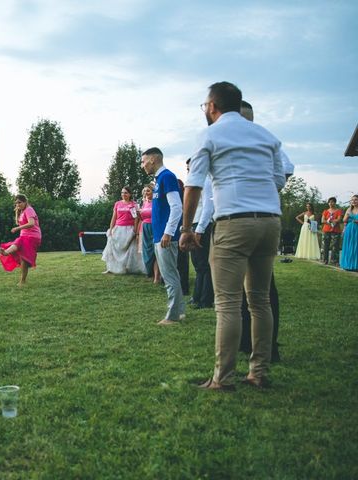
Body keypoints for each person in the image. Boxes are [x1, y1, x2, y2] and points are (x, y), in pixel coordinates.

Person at [180, 82, 285, 391]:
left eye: (205, 106)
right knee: (260, 300)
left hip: (233, 223)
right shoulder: (266, 136)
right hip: (269, 222)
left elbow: (194, 184)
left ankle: (222, 378)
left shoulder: (210, 134)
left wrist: (187, 229)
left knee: (227, 303)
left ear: (212, 106)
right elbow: (278, 178)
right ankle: (258, 372)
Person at [238, 100, 289, 363]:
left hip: (258, 218)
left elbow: (285, 171)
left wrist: (261, 190)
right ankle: (246, 341)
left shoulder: (265, 140)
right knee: (241, 289)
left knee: (263, 288)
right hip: (239, 218)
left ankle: (269, 347)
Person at [142, 148, 185, 325]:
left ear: (153, 159)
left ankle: (173, 316)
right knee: (171, 274)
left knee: (169, 276)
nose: (142, 165)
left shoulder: (167, 177)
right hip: (159, 235)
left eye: (143, 161)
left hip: (166, 236)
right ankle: (180, 311)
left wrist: (168, 232)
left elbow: (176, 207)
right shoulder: (158, 180)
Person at [185, 158, 215, 309]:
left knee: (204, 264)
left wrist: (199, 230)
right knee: (197, 264)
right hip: (194, 225)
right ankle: (196, 296)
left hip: (202, 226)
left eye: (191, 168)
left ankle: (205, 299)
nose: (189, 171)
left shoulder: (206, 182)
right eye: (188, 168)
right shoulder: (195, 184)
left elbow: (208, 208)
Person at [0, 194, 41, 286]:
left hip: (32, 237)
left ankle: (6, 252)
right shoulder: (22, 211)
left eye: (20, 202)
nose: (18, 204)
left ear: (25, 202)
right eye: (16, 203)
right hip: (25, 236)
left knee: (21, 249)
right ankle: (22, 281)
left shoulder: (29, 209)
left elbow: (31, 223)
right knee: (22, 256)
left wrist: (17, 228)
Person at [101, 186, 145, 274]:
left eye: (125, 193)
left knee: (130, 250)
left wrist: (135, 231)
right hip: (118, 228)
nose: (123, 194)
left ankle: (127, 268)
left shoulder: (134, 204)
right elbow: (114, 217)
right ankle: (111, 268)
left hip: (129, 228)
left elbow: (136, 219)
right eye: (122, 193)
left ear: (130, 194)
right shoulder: (117, 204)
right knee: (112, 248)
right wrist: (111, 228)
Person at [138, 184, 161, 283]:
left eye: (148, 191)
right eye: (145, 191)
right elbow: (141, 218)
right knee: (147, 251)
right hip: (145, 227)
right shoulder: (144, 203)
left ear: (153, 192)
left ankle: (157, 277)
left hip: (155, 227)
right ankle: (150, 272)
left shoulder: (157, 201)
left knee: (156, 252)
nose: (146, 193)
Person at [321, 197, 343, 265]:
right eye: (330, 202)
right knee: (325, 245)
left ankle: (334, 261)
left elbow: (339, 219)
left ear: (335, 203)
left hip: (335, 230)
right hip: (326, 230)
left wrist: (332, 221)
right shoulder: (325, 211)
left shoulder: (338, 211)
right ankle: (324, 260)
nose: (331, 203)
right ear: (328, 203)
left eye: (332, 202)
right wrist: (330, 221)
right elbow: (322, 220)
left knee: (335, 246)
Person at [340, 194, 358, 271]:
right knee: (348, 246)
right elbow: (344, 220)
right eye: (352, 200)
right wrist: (347, 215)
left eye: (356, 199)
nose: (353, 201)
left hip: (357, 229)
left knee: (356, 246)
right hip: (349, 229)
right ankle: (347, 264)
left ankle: (355, 265)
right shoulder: (349, 209)